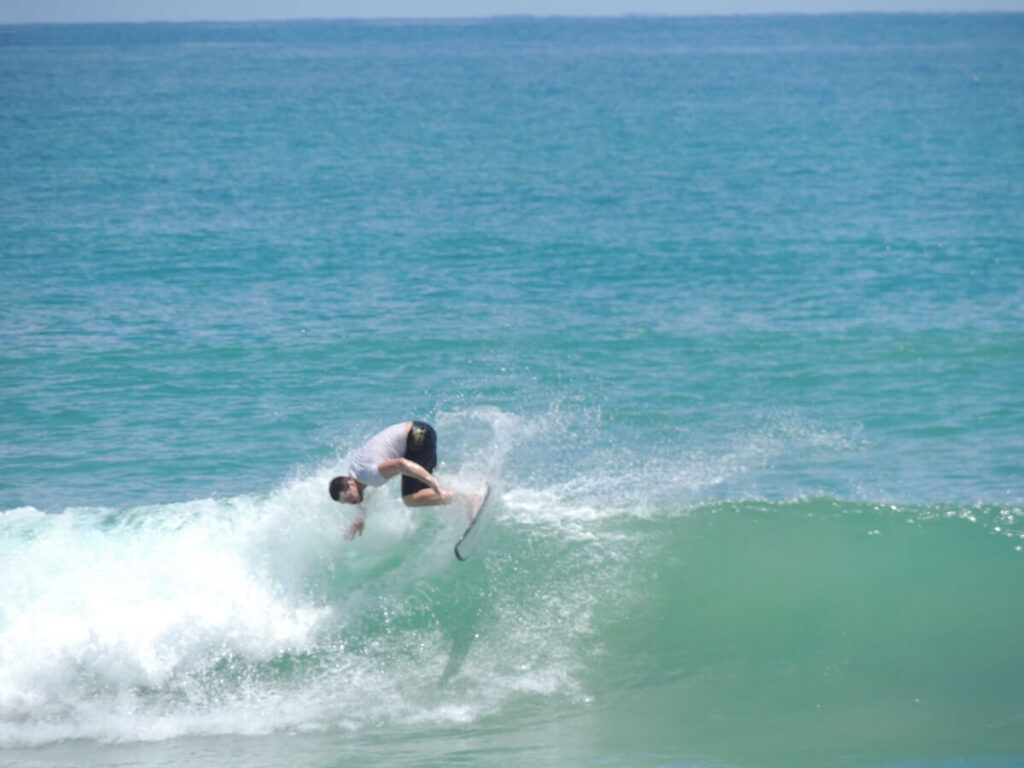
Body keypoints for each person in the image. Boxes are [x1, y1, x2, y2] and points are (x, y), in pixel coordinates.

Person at [328, 420, 469, 540]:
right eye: (346, 502)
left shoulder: (369, 476)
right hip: (420, 431)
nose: (351, 502)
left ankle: (468, 500)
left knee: (410, 498)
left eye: (349, 498)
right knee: (425, 486)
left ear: (351, 484)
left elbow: (400, 464)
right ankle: (469, 486)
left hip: (417, 437)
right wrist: (360, 521)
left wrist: (430, 480)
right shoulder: (354, 475)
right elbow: (363, 499)